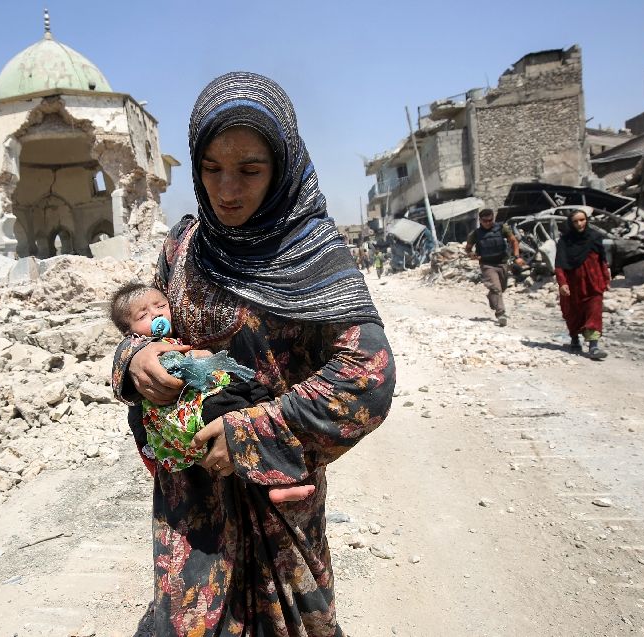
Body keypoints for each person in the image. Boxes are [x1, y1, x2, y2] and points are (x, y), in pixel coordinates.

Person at [112, 71, 395, 636]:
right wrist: (135, 359)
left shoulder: (315, 256)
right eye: (212, 169)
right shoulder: (185, 246)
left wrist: (251, 431)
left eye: (249, 170)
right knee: (188, 621)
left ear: (283, 166)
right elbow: (150, 324)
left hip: (276, 497)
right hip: (191, 499)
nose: (227, 190)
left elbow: (368, 377)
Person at [108, 282, 315, 503]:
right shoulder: (144, 348)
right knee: (236, 426)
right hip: (194, 411)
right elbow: (152, 391)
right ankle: (273, 486)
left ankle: (283, 478)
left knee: (258, 399)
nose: (156, 314)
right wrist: (198, 356)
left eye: (161, 306)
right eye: (142, 316)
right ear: (129, 332)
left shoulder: (172, 337)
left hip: (212, 392)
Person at [555, 209, 611, 360]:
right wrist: (562, 283)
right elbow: (559, 264)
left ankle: (593, 346)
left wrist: (606, 278)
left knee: (594, 311)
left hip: (593, 282)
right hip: (573, 284)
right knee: (573, 312)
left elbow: (602, 260)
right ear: (570, 223)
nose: (580, 224)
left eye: (582, 220)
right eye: (575, 221)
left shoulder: (594, 237)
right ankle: (574, 338)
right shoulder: (565, 242)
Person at [465, 208, 525, 326]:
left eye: (490, 220)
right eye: (485, 221)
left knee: (501, 288)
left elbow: (513, 241)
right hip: (487, 264)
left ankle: (492, 297)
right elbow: (468, 248)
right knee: (496, 288)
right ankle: (501, 314)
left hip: (502, 263)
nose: (488, 223)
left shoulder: (502, 228)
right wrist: (472, 255)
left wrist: (517, 256)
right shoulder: (475, 234)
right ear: (480, 220)